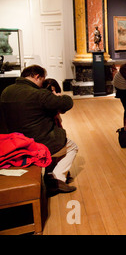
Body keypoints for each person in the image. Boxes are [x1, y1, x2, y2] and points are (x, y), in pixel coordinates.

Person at [0, 65, 78, 193]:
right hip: (35, 142)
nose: (42, 83)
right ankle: (57, 180)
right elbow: (67, 103)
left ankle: (49, 173)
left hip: (12, 141)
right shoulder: (38, 94)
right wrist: (58, 96)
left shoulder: (6, 91)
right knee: (72, 146)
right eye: (43, 79)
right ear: (37, 76)